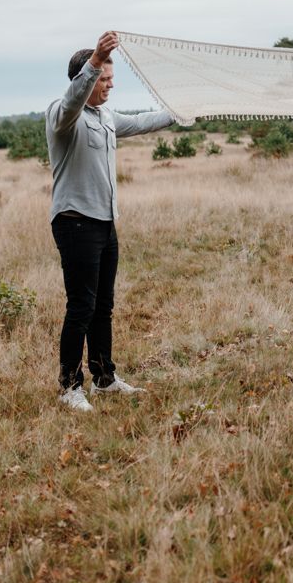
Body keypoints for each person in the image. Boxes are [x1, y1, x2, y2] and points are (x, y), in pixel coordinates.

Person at [47, 31, 175, 413]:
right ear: (84, 78)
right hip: (75, 223)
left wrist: (182, 112)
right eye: (104, 78)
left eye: (109, 77)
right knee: (81, 307)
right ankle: (70, 386)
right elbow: (73, 101)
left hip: (105, 224)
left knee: (103, 306)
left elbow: (142, 122)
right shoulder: (62, 115)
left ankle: (104, 378)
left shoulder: (105, 116)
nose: (110, 84)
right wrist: (94, 61)